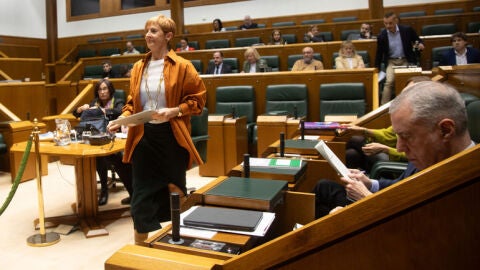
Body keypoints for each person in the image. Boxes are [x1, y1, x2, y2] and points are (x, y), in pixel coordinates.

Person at [107, 14, 206, 244]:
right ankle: (139, 252)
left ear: (168, 36)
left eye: (153, 31)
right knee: (140, 198)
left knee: (175, 191)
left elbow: (198, 100)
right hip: (144, 137)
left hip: (172, 137)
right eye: (147, 31)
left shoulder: (183, 66)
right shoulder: (138, 67)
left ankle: (179, 241)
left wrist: (175, 111)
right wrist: (121, 119)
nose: (148, 35)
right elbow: (132, 103)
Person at [313, 81, 474, 218]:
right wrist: (370, 184)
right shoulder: (430, 158)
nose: (399, 148)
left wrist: (367, 200)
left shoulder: (465, 187)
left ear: (446, 130)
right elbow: (401, 185)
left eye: (406, 136)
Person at [345, 76, 431, 172]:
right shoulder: (409, 115)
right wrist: (363, 130)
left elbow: (413, 155)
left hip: (401, 166)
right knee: (351, 154)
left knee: (355, 141)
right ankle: (354, 182)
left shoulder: (426, 122)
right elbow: (389, 134)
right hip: (393, 156)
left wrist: (386, 149)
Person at [73, 79, 133, 206]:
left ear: (110, 90)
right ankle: (104, 191)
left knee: (117, 159)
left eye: (105, 88)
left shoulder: (117, 101)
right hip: (98, 139)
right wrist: (80, 109)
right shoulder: (94, 102)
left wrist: (104, 111)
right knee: (99, 159)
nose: (102, 92)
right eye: (100, 89)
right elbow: (77, 115)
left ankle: (132, 194)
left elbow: (120, 111)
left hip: (116, 138)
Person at [375, 11, 424, 105]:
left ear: (396, 21)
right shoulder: (382, 35)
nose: (388, 26)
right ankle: (382, 107)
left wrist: (421, 44)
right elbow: (379, 53)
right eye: (385, 23)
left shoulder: (407, 30)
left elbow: (417, 40)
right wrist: (377, 68)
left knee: (406, 81)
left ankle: (409, 104)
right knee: (389, 82)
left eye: (390, 23)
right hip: (391, 61)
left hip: (405, 60)